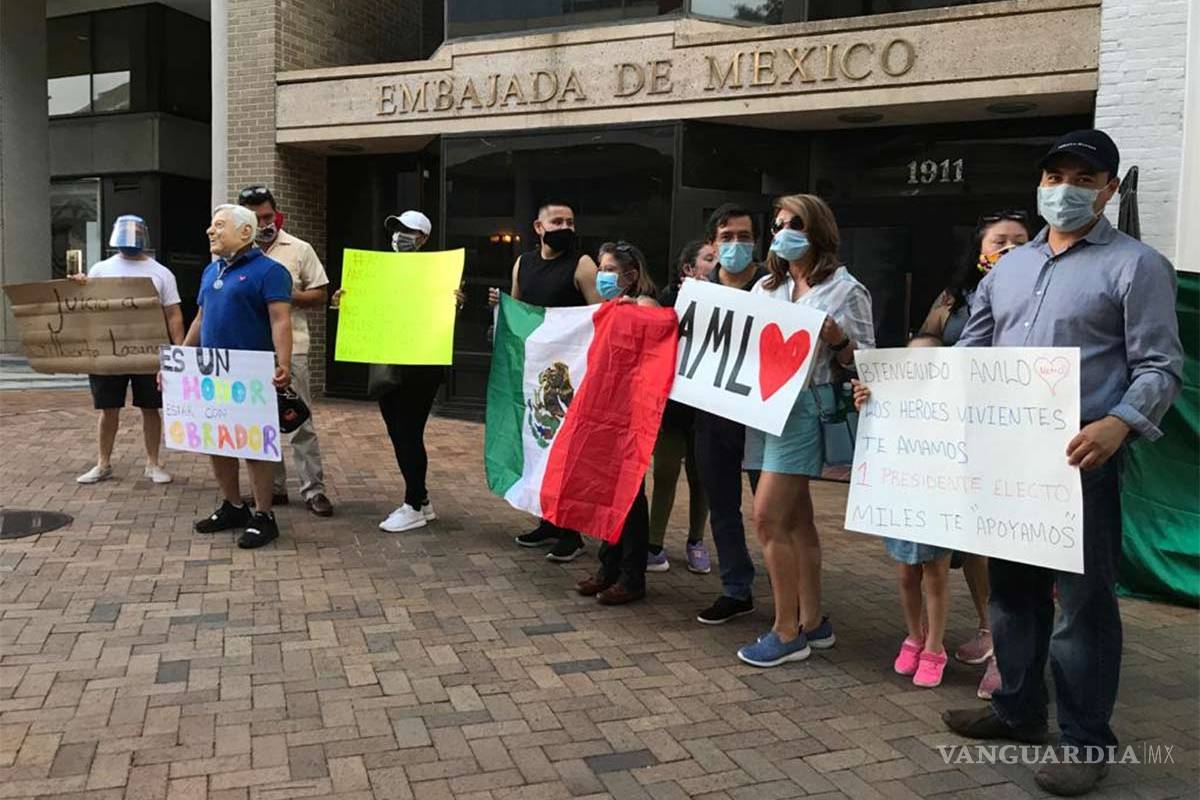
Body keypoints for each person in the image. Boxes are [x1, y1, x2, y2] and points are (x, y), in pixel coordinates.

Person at [899, 130, 1179, 797]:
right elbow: (974, 351)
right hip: (1008, 455)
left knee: (1083, 604)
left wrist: (1118, 423)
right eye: (1055, 176)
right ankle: (1018, 710)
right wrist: (906, 390)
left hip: (1080, 458)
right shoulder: (1013, 267)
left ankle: (1085, 740)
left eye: (1084, 177)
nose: (1066, 189)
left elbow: (1162, 366)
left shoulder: (1137, 267)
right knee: (1014, 592)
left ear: (1109, 189)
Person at [736, 194, 875, 668]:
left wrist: (838, 340)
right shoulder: (765, 288)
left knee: (767, 516)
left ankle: (786, 629)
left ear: (818, 228)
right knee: (796, 519)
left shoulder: (845, 289)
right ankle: (812, 621)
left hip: (803, 408)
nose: (784, 231)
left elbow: (865, 360)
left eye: (795, 222)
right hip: (766, 406)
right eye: (778, 224)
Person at [918, 210, 1032, 699]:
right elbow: (924, 341)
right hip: (956, 434)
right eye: (999, 241)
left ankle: (1010, 654)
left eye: (1019, 241)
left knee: (1009, 542)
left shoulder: (1037, 297)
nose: (1008, 248)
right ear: (979, 251)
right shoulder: (953, 299)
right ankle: (991, 631)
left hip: (1017, 437)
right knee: (972, 537)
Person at [334, 210, 462, 533]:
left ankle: (413, 504)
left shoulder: (439, 273)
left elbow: (443, 318)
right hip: (388, 362)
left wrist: (455, 302)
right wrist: (345, 304)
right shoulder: (378, 272)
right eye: (397, 229)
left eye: (409, 230)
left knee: (408, 431)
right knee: (397, 431)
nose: (400, 235)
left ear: (423, 238)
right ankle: (422, 499)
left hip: (422, 366)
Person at [488, 201, 602, 563]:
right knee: (537, 443)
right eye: (557, 221)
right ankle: (547, 520)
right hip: (534, 372)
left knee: (566, 451)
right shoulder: (524, 263)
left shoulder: (583, 265)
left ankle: (571, 531)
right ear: (539, 227)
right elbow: (518, 312)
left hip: (571, 373)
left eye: (570, 221)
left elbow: (600, 316)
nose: (565, 226)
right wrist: (500, 306)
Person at [185, 204, 293, 549]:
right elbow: (200, 319)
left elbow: (280, 320)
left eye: (219, 225)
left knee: (255, 446)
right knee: (217, 440)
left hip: (251, 375)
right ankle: (233, 506)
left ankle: (264, 516)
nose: (210, 231)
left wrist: (284, 363)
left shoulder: (270, 271)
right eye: (211, 225)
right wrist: (179, 360)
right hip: (212, 373)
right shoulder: (211, 271)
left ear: (245, 233)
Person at [692, 205, 768, 625]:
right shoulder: (697, 292)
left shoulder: (773, 289)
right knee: (721, 506)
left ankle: (791, 594)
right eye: (727, 236)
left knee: (772, 512)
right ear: (712, 243)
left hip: (761, 418)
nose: (736, 244)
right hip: (712, 415)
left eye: (744, 235)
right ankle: (736, 589)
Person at [238, 185, 334, 517]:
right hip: (251, 351)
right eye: (258, 218)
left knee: (299, 421)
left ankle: (314, 490)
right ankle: (274, 488)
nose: (266, 223)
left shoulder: (299, 248)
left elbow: (321, 294)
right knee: (261, 423)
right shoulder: (236, 253)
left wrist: (283, 296)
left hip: (293, 348)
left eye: (269, 215)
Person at [574, 241, 660, 605]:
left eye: (610, 269)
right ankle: (609, 567)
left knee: (630, 494)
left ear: (631, 275)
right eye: (601, 268)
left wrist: (630, 315)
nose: (602, 275)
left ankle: (631, 575)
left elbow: (656, 337)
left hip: (633, 415)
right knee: (607, 490)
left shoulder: (644, 305)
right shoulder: (606, 307)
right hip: (607, 413)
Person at [74, 215, 185, 485]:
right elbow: (86, 308)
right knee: (108, 408)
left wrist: (178, 352)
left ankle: (153, 463)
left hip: (148, 352)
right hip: (109, 352)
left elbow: (173, 315)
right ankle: (103, 463)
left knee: (150, 408)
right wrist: (76, 287)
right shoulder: (100, 270)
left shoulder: (161, 273)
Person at [647, 241, 718, 573]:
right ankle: (653, 544)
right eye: (709, 259)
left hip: (706, 408)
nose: (716, 264)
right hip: (672, 406)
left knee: (701, 477)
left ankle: (695, 541)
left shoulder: (730, 301)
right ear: (689, 269)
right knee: (664, 473)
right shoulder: (667, 301)